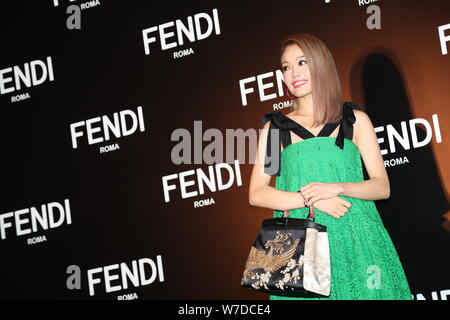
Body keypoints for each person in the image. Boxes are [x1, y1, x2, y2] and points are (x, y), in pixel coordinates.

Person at [248, 33, 412, 300]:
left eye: (302, 62)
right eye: (286, 67)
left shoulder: (356, 120)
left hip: (358, 239)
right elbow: (257, 193)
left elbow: (382, 187)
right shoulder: (275, 130)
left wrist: (336, 188)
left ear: (320, 64)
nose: (293, 73)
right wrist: (310, 199)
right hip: (301, 248)